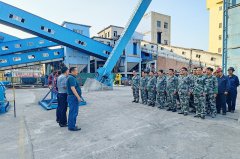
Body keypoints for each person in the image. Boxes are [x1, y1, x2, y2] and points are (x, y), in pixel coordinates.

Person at [66, 67, 82, 131]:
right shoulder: (71, 78)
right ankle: (72, 126)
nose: (77, 72)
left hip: (72, 97)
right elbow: (73, 88)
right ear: (72, 71)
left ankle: (71, 125)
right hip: (73, 97)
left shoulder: (71, 77)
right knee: (73, 112)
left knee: (72, 111)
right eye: (76, 71)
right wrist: (78, 97)